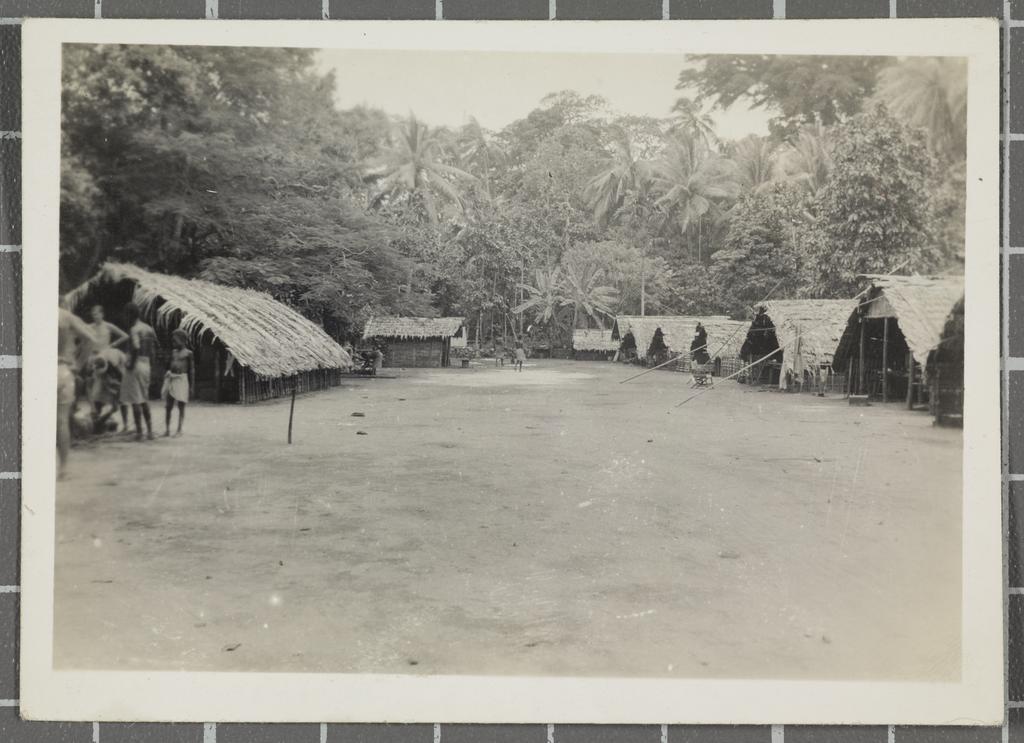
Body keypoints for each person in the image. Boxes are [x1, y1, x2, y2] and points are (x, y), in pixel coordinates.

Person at [58, 305, 98, 479]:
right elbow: (91, 338)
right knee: (61, 421)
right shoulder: (65, 316)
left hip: (36, 368)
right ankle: (63, 468)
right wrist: (78, 366)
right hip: (62, 369)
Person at [119, 302, 157, 441]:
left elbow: (135, 347)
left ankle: (140, 432)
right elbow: (153, 351)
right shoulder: (148, 329)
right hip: (146, 364)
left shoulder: (134, 329)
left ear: (130, 315)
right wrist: (150, 367)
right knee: (144, 399)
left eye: (126, 315)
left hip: (136, 364)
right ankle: (150, 431)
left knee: (135, 400)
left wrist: (130, 365)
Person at [161, 329, 194, 437]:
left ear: (183, 340)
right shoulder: (173, 352)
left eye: (175, 341)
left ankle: (179, 429)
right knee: (168, 405)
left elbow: (192, 370)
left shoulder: (188, 353)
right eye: (173, 341)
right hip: (172, 378)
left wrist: (192, 386)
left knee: (181, 405)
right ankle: (167, 430)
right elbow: (169, 365)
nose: (173, 343)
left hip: (182, 379)